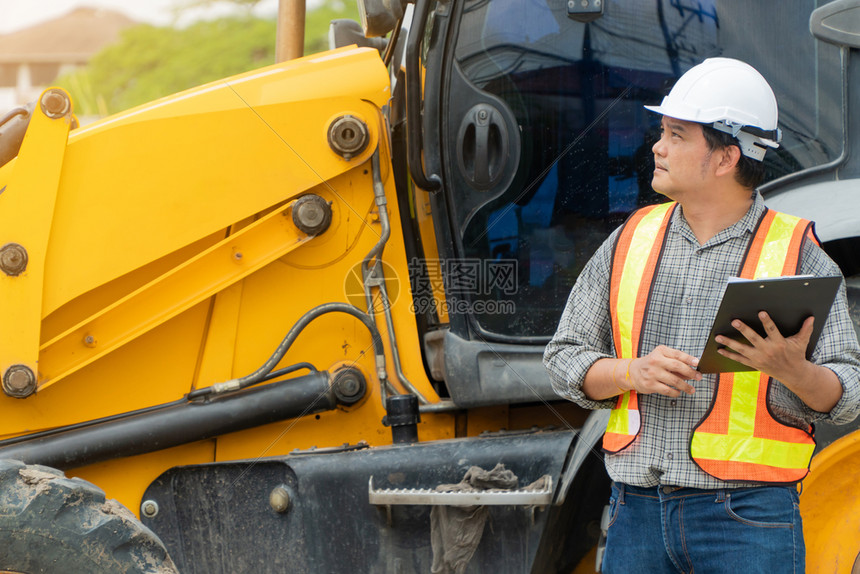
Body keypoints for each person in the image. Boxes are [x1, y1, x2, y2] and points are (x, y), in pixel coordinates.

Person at [543, 57, 860, 573]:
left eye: (676, 134)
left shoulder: (797, 255)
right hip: (636, 511)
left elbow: (849, 393)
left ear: (725, 158)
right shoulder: (632, 238)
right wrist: (631, 371)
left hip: (748, 520)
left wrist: (793, 370)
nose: (657, 146)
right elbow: (562, 359)